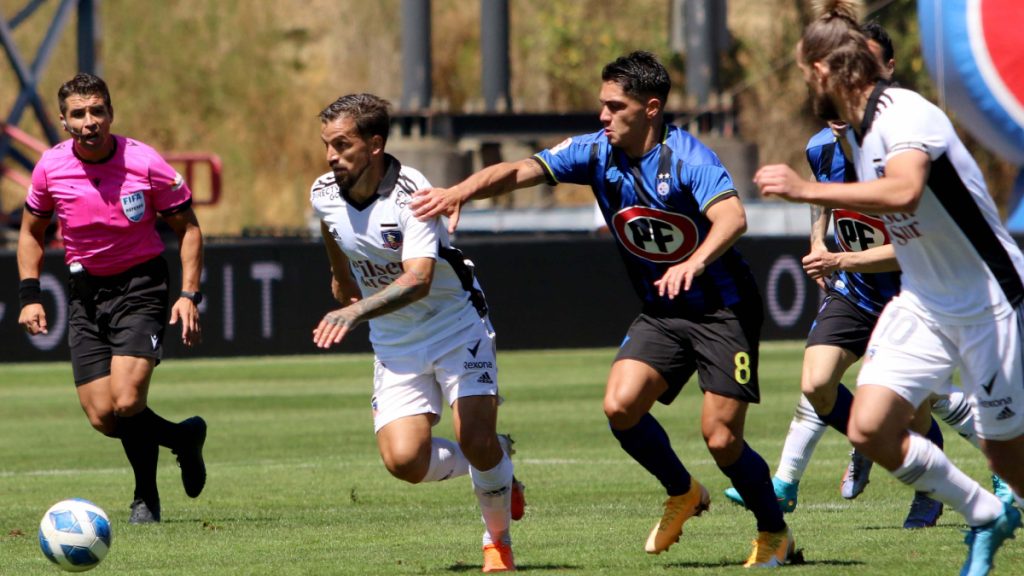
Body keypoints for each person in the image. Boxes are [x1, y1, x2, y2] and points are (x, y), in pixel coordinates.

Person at [413, 51, 796, 568]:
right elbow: (520, 169)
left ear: (651, 108)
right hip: (663, 309)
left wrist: (697, 262)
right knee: (619, 407)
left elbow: (733, 218)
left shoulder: (690, 159)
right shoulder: (595, 152)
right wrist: (460, 191)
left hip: (722, 310)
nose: (603, 116)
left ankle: (774, 532)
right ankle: (683, 491)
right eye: (602, 105)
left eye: (615, 107)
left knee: (722, 437)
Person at [755, 1, 1024, 573]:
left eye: (807, 74)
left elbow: (903, 192)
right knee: (869, 426)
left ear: (827, 71)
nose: (807, 86)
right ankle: (982, 512)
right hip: (924, 301)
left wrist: (806, 192)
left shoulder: (904, 114)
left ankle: (1001, 498)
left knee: (1009, 456)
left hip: (989, 300)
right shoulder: (855, 134)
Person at [309, 93, 524, 574]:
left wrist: (355, 309)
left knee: (474, 435)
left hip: (454, 323)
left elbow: (419, 279)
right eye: (327, 144)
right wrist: (339, 274)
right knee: (404, 461)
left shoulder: (413, 194)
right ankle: (498, 459)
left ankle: (498, 544)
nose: (331, 156)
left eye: (342, 145)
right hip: (395, 338)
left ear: (375, 145)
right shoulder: (323, 189)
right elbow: (330, 225)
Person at [17, 73, 208, 524]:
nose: (89, 122)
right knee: (104, 415)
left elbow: (189, 228)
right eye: (78, 114)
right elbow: (31, 231)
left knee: (126, 399)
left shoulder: (144, 162)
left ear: (110, 113)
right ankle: (182, 438)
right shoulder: (50, 167)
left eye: (97, 111)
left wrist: (188, 294)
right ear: (64, 122)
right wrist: (30, 294)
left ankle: (145, 496)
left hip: (141, 287)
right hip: (85, 293)